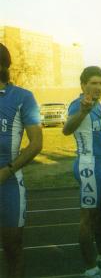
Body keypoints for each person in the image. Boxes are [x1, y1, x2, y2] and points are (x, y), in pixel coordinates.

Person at [63, 66, 101, 278]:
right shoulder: (79, 105)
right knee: (88, 218)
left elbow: (98, 137)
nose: (98, 87)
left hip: (99, 167)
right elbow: (66, 129)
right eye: (94, 83)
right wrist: (82, 111)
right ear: (83, 85)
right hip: (87, 167)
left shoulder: (97, 106)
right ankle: (91, 270)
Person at [0, 43, 43, 278]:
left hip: (8, 184)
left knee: (12, 247)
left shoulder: (22, 97)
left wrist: (7, 170)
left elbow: (36, 143)